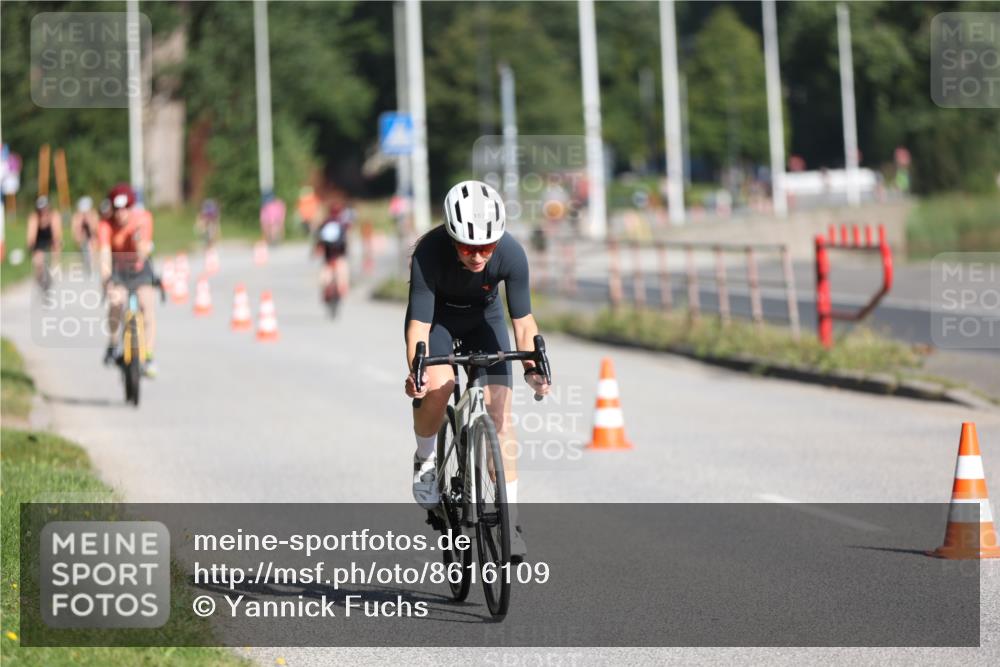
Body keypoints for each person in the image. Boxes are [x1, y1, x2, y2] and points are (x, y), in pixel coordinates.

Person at [403, 180, 551, 560]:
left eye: (486, 247)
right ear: (451, 238)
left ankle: (510, 523)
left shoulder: (512, 253)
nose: (478, 255)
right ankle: (425, 458)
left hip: (485, 322)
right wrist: (417, 373)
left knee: (500, 414)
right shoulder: (428, 255)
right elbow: (418, 327)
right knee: (440, 386)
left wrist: (533, 367)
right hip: (438, 323)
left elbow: (523, 322)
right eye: (469, 247)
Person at [98, 183, 159, 378]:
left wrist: (139, 239)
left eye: (125, 208)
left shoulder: (143, 219)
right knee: (116, 302)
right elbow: (105, 255)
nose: (121, 213)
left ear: (131, 207)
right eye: (116, 209)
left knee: (146, 305)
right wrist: (106, 280)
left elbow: (143, 251)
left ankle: (148, 355)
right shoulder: (105, 225)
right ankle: (113, 344)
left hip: (140, 268)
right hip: (118, 269)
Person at [314, 197, 354, 306]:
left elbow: (318, 239)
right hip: (339, 255)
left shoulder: (325, 222)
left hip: (328, 257)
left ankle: (327, 292)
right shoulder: (342, 223)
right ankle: (341, 290)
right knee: (343, 274)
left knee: (324, 277)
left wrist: (316, 250)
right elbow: (347, 238)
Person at [26, 196, 63, 291]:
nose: (43, 211)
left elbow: (57, 233)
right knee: (38, 262)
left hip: (50, 239)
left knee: (57, 246)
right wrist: (31, 246)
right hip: (39, 241)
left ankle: (54, 268)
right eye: (41, 209)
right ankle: (39, 278)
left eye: (45, 208)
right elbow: (31, 235)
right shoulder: (34, 217)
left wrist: (56, 242)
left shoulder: (54, 216)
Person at [70, 196, 99, 275]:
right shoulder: (77, 216)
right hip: (82, 237)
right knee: (81, 239)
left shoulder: (93, 214)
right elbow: (74, 233)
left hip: (91, 237)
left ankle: (92, 261)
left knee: (93, 241)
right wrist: (80, 223)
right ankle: (84, 257)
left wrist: (89, 222)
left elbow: (95, 231)